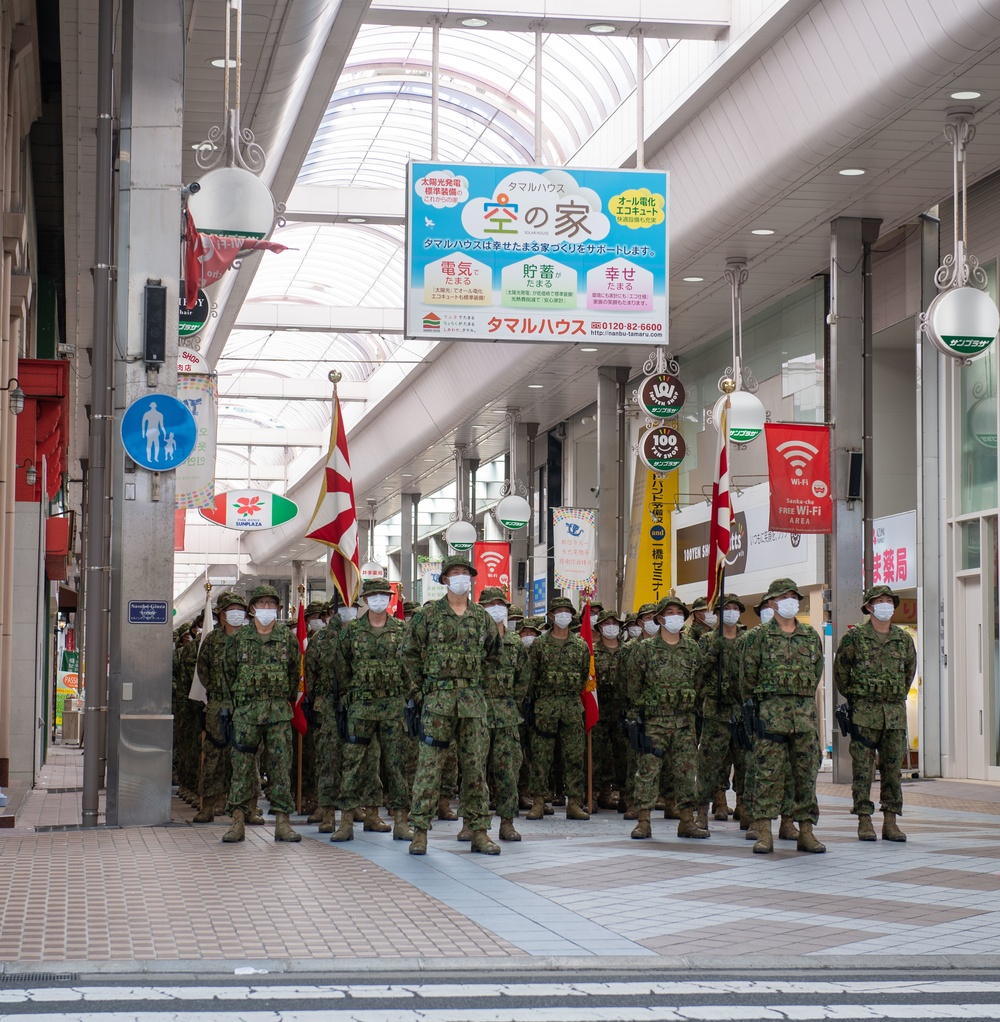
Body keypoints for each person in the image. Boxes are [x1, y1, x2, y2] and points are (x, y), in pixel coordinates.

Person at [401, 555, 502, 855]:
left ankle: (478, 831)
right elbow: (409, 655)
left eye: (465, 574)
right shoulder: (428, 616)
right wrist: (419, 694)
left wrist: (478, 686)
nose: (461, 578)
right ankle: (420, 831)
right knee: (429, 768)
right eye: (455, 573)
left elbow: (494, 656)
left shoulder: (482, 618)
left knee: (475, 769)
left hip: (472, 703)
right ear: (444, 579)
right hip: (437, 702)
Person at [741, 577, 825, 854]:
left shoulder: (810, 636)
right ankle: (764, 831)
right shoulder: (758, 637)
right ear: (772, 603)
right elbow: (747, 680)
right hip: (770, 717)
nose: (791, 601)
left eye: (794, 596)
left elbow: (815, 674)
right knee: (767, 775)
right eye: (784, 597)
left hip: (803, 718)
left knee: (805, 776)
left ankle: (806, 831)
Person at [330, 578, 414, 842]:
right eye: (373, 595)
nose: (379, 599)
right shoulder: (351, 632)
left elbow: (409, 669)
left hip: (392, 707)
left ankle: (401, 820)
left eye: (383, 595)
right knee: (353, 764)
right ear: (365, 600)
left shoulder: (402, 630)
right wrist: (354, 694)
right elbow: (341, 669)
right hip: (360, 707)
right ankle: (347, 821)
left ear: (390, 599)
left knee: (396, 764)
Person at [833, 584, 916, 842]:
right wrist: (859, 698)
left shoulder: (903, 640)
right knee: (863, 770)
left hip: (893, 716)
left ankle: (890, 821)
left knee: (893, 770)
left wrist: (891, 695)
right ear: (869, 607)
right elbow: (841, 674)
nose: (885, 606)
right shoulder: (854, 638)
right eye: (879, 601)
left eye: (888, 601)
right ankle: (864, 820)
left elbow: (908, 674)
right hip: (864, 716)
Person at [220, 584, 302, 843]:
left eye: (271, 604)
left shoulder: (287, 639)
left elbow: (293, 676)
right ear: (252, 609)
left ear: (277, 608)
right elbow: (228, 672)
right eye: (261, 604)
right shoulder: (238, 639)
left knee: (280, 767)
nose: (266, 609)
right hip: (246, 713)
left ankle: (282, 822)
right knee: (242, 768)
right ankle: (237, 821)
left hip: (277, 712)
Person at [624, 594, 708, 840]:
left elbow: (699, 682)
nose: (675, 617)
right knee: (648, 771)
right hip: (654, 722)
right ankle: (643, 821)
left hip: (684, 721)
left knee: (685, 772)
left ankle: (686, 821)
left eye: (679, 613)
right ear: (660, 618)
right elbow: (633, 686)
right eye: (670, 613)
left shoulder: (692, 649)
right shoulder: (644, 650)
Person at [460, 586, 527, 842]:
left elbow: (523, 680)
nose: (496, 610)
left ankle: (507, 822)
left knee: (507, 771)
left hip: (507, 714)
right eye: (490, 606)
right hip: (476, 712)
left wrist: (509, 703)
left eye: (501, 605)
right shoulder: (472, 641)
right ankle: (470, 821)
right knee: (473, 770)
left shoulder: (515, 643)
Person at [524, 596, 592, 822]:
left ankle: (574, 802)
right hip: (546, 707)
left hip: (572, 707)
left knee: (574, 756)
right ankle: (539, 802)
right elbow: (530, 678)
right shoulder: (540, 645)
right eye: (558, 611)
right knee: (541, 757)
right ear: (551, 616)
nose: (563, 615)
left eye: (567, 611)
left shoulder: (581, 646)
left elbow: (584, 676)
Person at [193, 591, 250, 824]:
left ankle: (248, 807)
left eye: (240, 610)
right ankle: (207, 805)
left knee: (247, 758)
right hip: (218, 705)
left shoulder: (250, 637)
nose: (237, 614)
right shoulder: (212, 640)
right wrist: (218, 693)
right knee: (214, 757)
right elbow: (202, 671)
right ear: (222, 615)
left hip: (246, 706)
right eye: (231, 610)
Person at [696, 593, 747, 828]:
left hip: (741, 712)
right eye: (727, 608)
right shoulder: (707, 640)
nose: (732, 612)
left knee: (745, 762)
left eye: (736, 608)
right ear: (717, 613)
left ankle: (746, 807)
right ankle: (702, 810)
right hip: (716, 711)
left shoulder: (748, 639)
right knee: (709, 763)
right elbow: (697, 674)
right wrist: (712, 653)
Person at [592, 608, 628, 810]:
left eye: (614, 623)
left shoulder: (628, 651)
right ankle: (595, 794)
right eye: (606, 624)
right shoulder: (592, 652)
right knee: (597, 755)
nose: (611, 627)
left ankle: (624, 794)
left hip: (622, 711)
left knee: (622, 755)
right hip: (599, 711)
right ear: (599, 627)